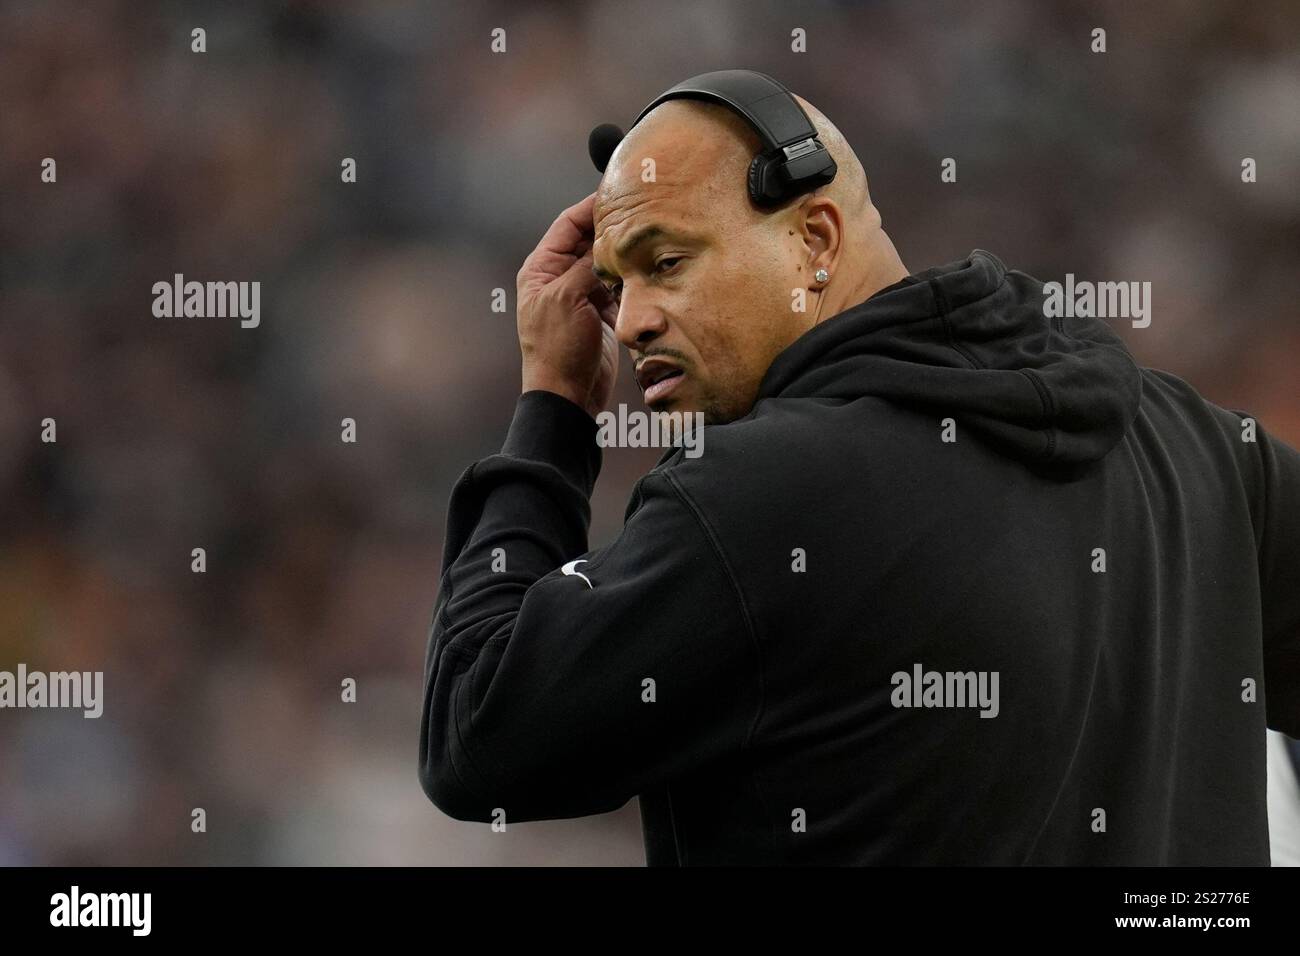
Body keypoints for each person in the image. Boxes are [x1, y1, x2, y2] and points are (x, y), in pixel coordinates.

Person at [418, 83, 1300, 864]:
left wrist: (555, 409)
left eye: (668, 263)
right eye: (616, 286)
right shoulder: (1198, 444)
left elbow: (477, 738)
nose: (632, 321)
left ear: (815, 241)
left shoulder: (757, 497)